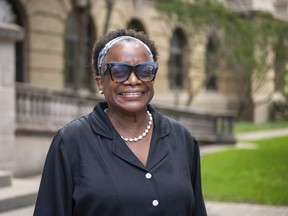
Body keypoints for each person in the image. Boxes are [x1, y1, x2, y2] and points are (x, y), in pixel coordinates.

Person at [33, 28, 207, 216]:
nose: (133, 80)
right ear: (100, 82)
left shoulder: (181, 138)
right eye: (119, 71)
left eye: (144, 70)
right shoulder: (70, 142)